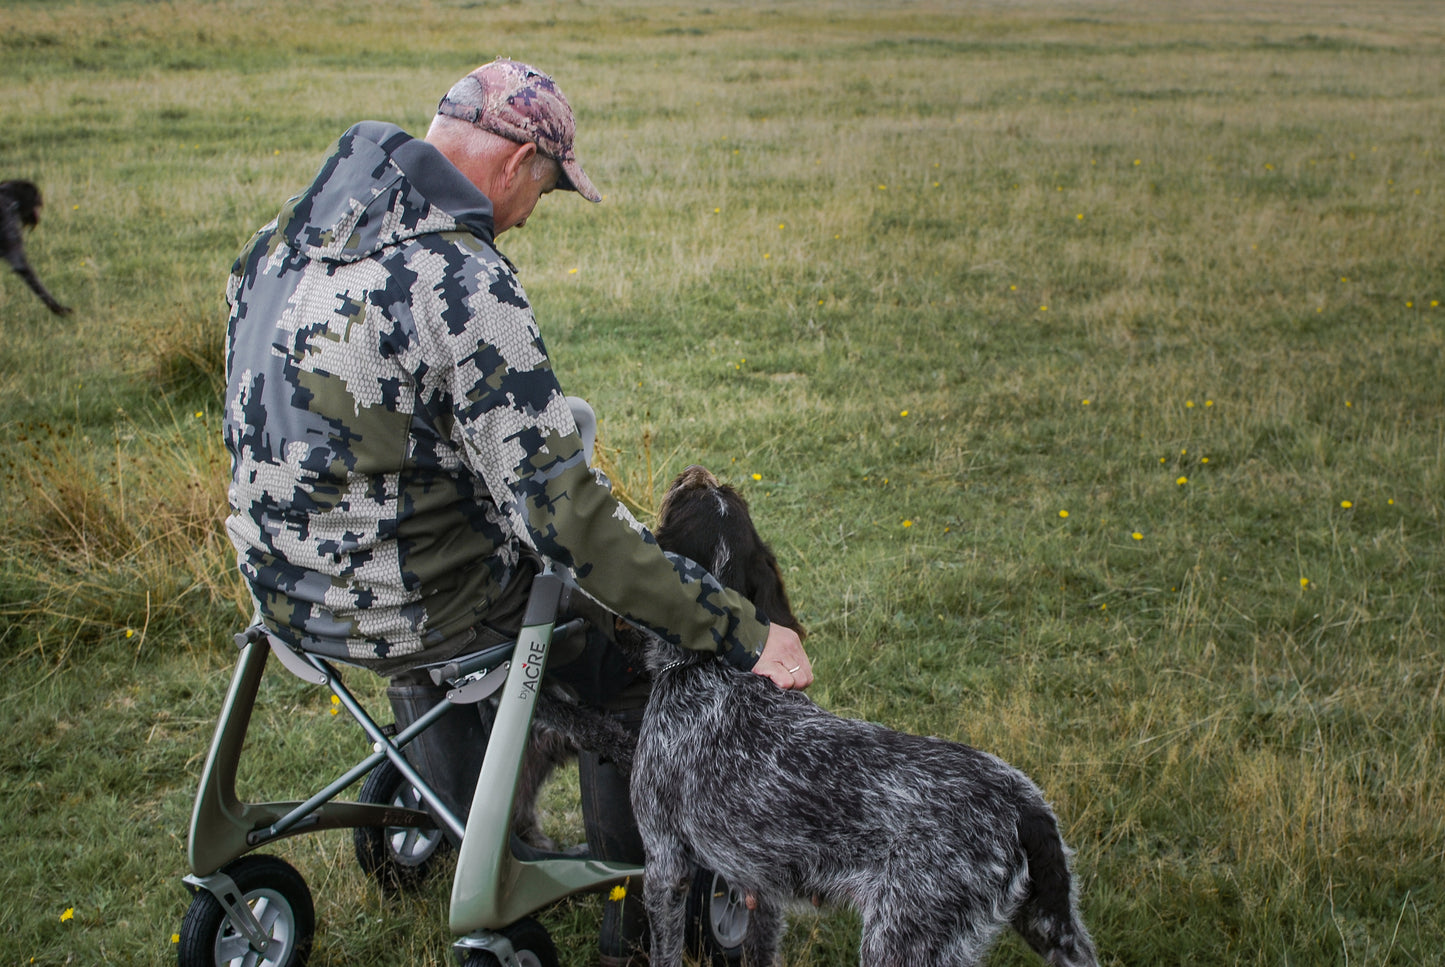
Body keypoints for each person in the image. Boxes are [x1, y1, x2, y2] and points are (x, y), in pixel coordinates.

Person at [222, 58, 810, 964]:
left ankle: (452, 813)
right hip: (423, 611)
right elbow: (567, 520)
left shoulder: (277, 245)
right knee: (642, 655)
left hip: (285, 599)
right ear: (517, 163)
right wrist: (735, 626)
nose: (534, 212)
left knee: (455, 572)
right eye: (546, 188)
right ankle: (640, 896)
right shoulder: (463, 280)